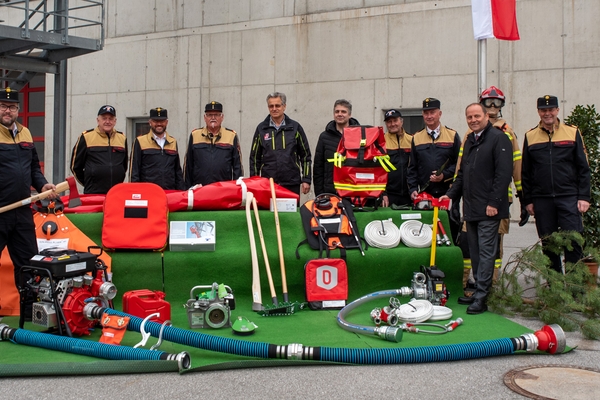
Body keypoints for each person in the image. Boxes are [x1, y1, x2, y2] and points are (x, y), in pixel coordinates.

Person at [440, 103, 513, 314]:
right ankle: (478, 292)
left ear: (486, 116)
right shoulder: (470, 140)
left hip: (489, 209)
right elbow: (462, 175)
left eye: (477, 116)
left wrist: (494, 203)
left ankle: (482, 296)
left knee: (487, 252)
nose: (473, 120)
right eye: (469, 117)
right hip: (471, 209)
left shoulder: (499, 138)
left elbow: (503, 174)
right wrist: (451, 195)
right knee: (475, 252)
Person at [457, 86, 526, 297]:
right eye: (489, 102)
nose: (494, 106)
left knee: (493, 245)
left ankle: (490, 286)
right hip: (472, 199)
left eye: (497, 102)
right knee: (470, 243)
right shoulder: (470, 134)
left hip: (496, 200)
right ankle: (467, 282)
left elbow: (514, 166)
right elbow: (462, 166)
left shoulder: (506, 132)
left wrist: (522, 195)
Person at [0, 88, 56, 311]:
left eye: (12, 107)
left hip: (22, 211)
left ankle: (30, 310)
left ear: (18, 110)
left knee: (28, 263)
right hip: (1, 211)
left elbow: (33, 167)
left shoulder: (26, 133)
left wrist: (43, 184)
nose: (8, 110)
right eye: (3, 106)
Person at [522, 95, 591, 273]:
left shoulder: (572, 132)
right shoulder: (530, 136)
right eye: (543, 110)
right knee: (549, 244)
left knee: (573, 242)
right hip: (542, 199)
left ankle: (575, 289)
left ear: (558, 110)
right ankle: (555, 286)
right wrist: (528, 200)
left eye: (551, 109)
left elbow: (583, 168)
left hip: (568, 196)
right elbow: (526, 172)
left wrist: (584, 196)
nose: (547, 113)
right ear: (538, 112)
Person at [407, 97, 461, 238]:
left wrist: (444, 175)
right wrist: (412, 189)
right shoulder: (416, 138)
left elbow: (459, 164)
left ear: (440, 113)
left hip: (448, 193)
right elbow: (412, 167)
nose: (429, 116)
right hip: (426, 194)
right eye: (426, 113)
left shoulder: (452, 135)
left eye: (432, 112)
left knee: (451, 228)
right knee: (426, 232)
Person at [249, 92, 312, 196]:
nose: (274, 109)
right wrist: (254, 181)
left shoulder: (295, 128)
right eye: (271, 106)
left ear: (284, 107)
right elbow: (254, 158)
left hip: (291, 182)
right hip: (268, 183)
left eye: (277, 105)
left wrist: (306, 179)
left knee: (291, 212)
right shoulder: (261, 129)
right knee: (269, 212)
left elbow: (305, 156)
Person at [70, 105, 128, 194]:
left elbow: (124, 165)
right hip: (93, 193)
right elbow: (75, 167)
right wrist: (89, 183)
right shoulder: (86, 137)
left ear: (115, 121)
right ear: (98, 120)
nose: (107, 121)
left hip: (116, 192)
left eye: (110, 118)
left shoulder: (122, 138)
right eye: (104, 118)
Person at [183, 101, 243, 187]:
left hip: (223, 189)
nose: (213, 118)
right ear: (205, 117)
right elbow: (188, 166)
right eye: (209, 115)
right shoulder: (195, 135)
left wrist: (238, 189)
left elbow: (238, 167)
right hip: (199, 189)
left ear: (222, 117)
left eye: (217, 115)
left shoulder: (231, 136)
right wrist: (187, 189)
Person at [130, 107, 185, 190]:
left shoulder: (173, 141)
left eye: (162, 121)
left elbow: (177, 171)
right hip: (148, 192)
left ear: (166, 122)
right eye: (156, 121)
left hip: (169, 192)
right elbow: (134, 171)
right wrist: (135, 192)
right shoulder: (140, 141)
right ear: (150, 122)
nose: (159, 124)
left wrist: (181, 191)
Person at [313, 99, 360, 196]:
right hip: (330, 191)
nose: (340, 114)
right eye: (337, 111)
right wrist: (320, 194)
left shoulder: (360, 135)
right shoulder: (324, 137)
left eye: (343, 111)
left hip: (353, 191)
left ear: (349, 115)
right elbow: (318, 167)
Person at [381, 109, 412, 208]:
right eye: (389, 122)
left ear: (401, 121)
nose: (392, 124)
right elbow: (377, 171)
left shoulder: (412, 140)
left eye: (395, 120)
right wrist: (382, 193)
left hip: (409, 195)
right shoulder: (381, 141)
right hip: (389, 196)